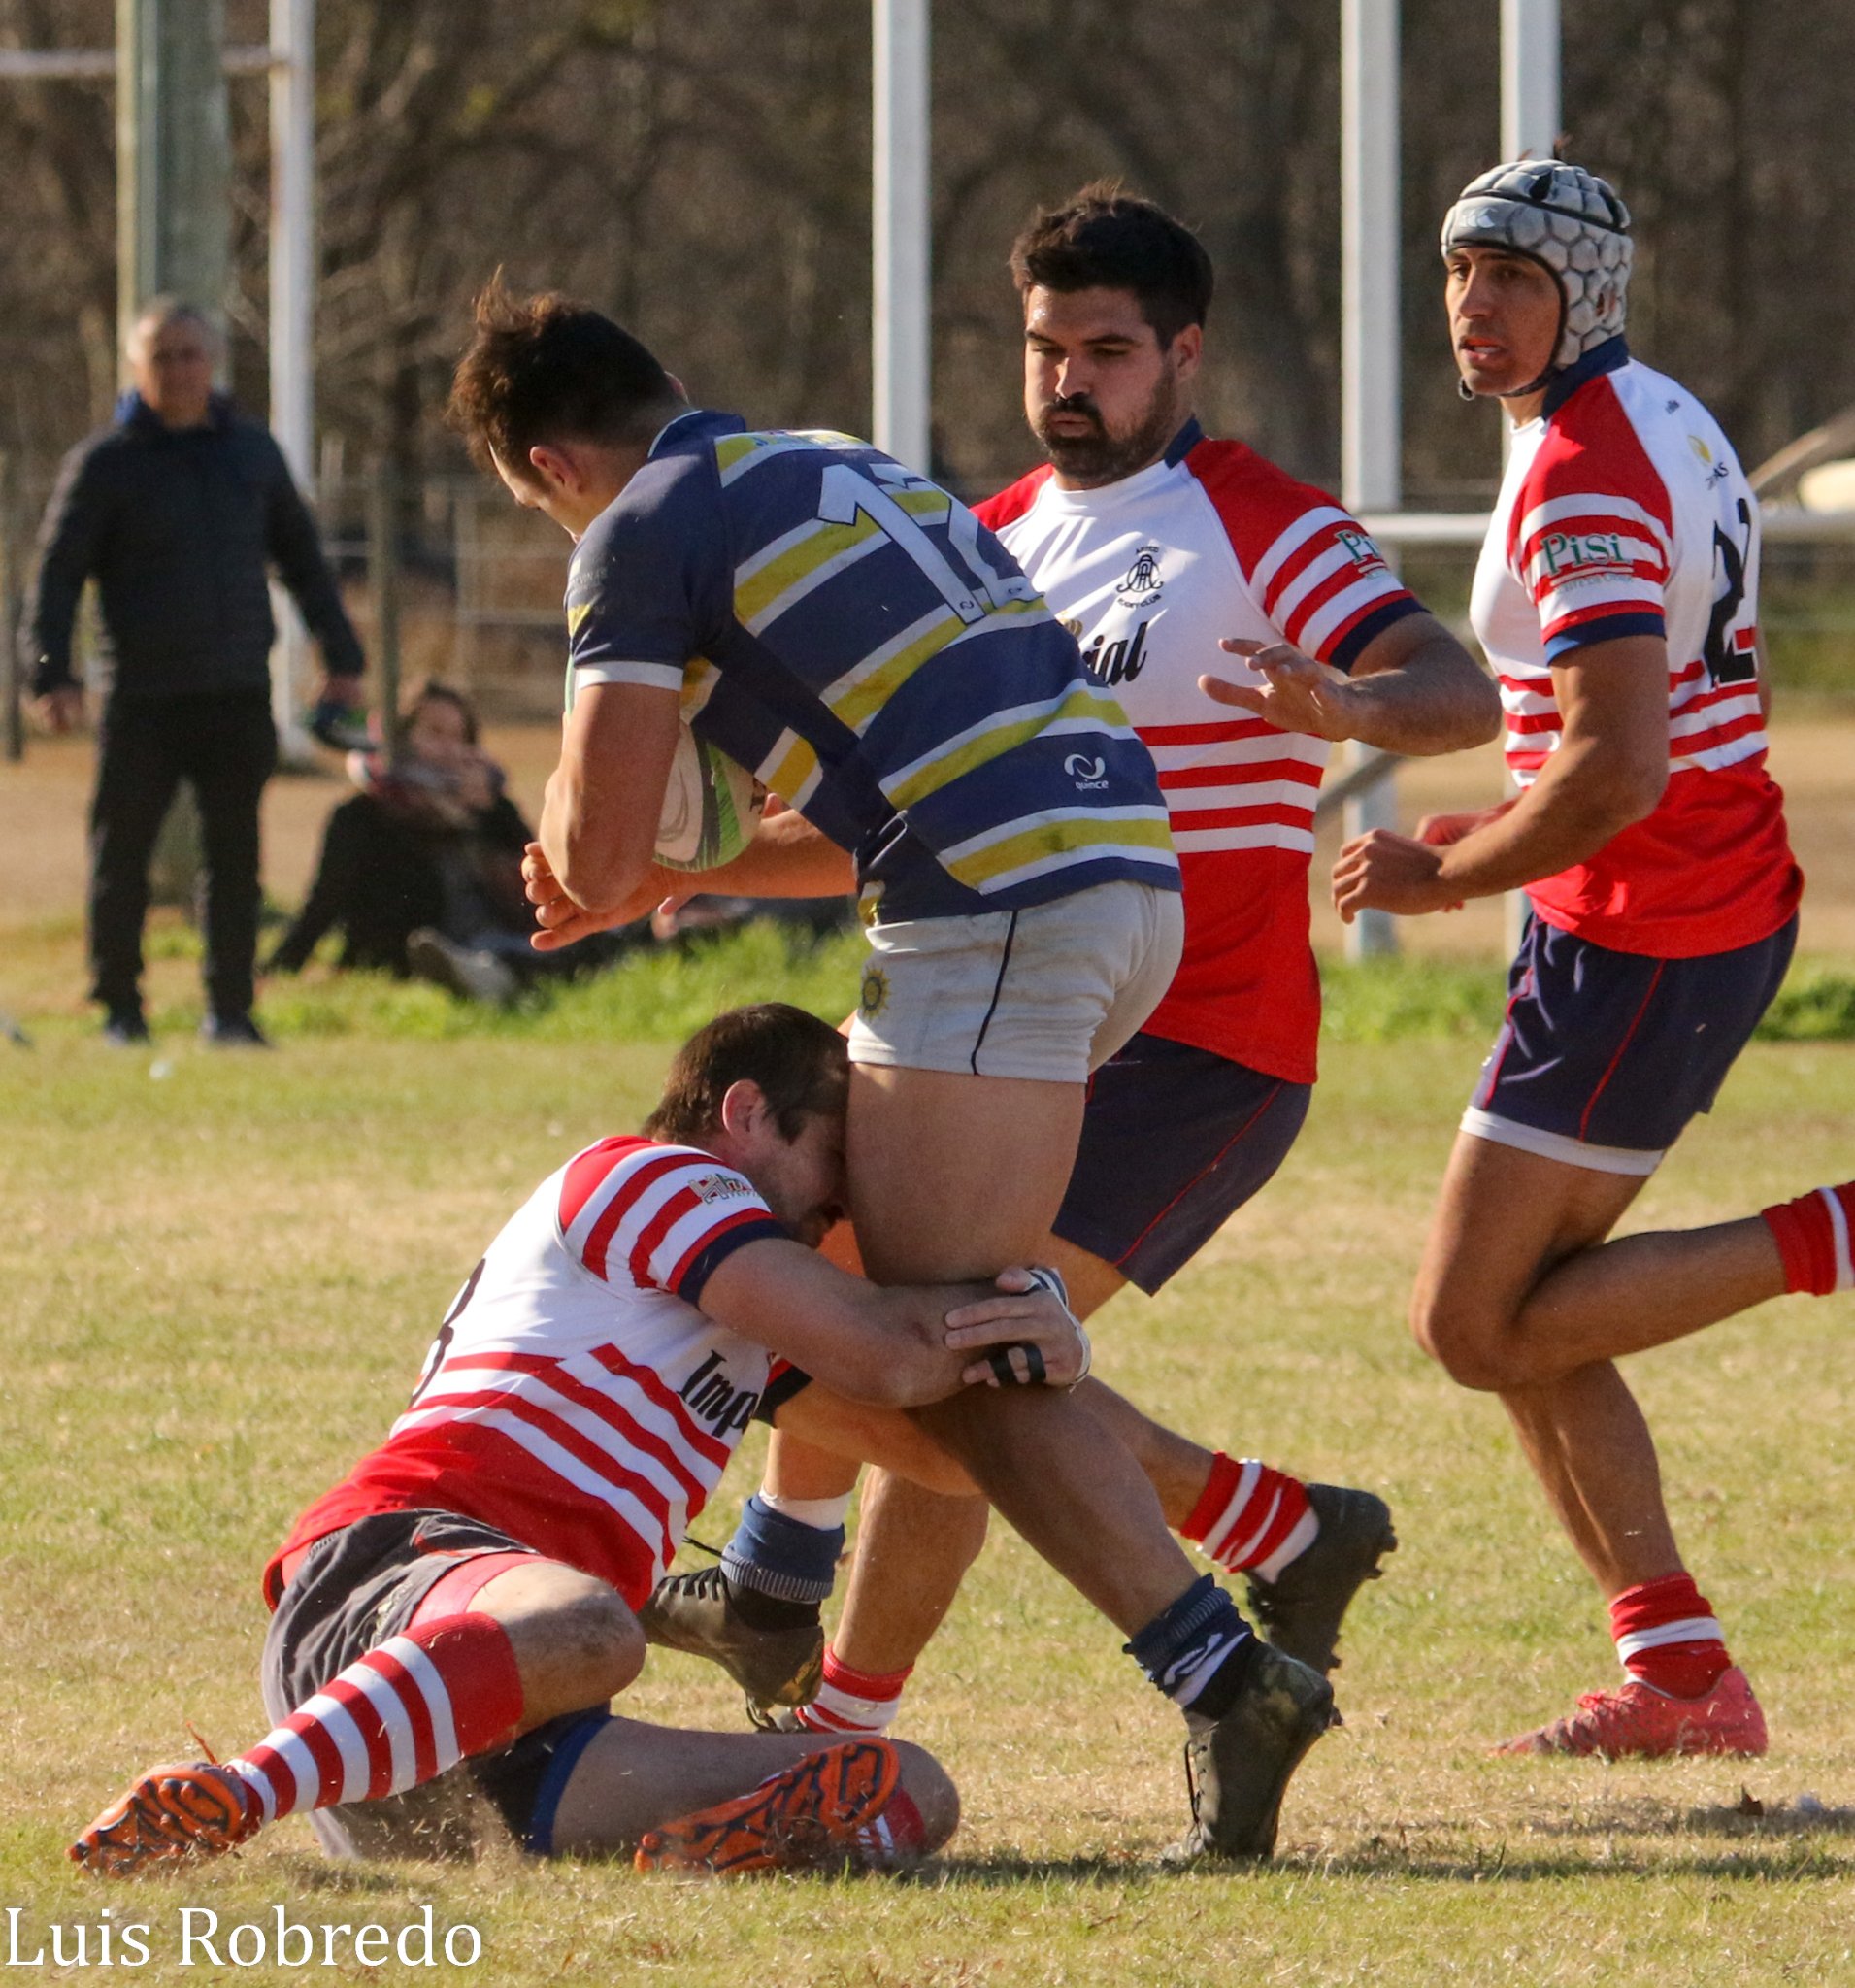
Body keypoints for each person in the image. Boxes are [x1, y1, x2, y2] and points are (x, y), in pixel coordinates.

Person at [446, 282, 1338, 1861]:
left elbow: (590, 841)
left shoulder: (636, 525)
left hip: (987, 905)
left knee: (931, 1338)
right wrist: (677, 871)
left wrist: (600, 846)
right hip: (1122, 882)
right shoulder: (836, 464)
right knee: (925, 1304)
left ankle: (1225, 1669)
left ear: (545, 459)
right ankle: (797, 1584)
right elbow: (898, 773)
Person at [655, 185, 1503, 1740]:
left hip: (1195, 1050)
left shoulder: (1263, 526)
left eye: (1106, 349)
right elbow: (894, 817)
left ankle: (855, 1697)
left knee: (957, 1361)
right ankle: (803, 1615)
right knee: (860, 1312)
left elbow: (1457, 692)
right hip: (998, 1021)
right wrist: (682, 862)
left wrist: (1349, 704)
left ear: (1182, 353)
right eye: (1045, 347)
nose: (1067, 381)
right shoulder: (980, 543)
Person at [70, 1004, 1100, 1877]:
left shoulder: (746, 1320)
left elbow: (948, 1459)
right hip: (397, 1578)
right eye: (835, 1154)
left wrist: (1049, 1350)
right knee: (590, 1624)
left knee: (911, 1786)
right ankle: (233, 1792)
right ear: (743, 1112)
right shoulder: (653, 1180)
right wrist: (1029, 1299)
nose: (844, 1200)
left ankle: (706, 1852)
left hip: (473, 1745)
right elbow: (887, 1353)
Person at [1334, 159, 1849, 1758]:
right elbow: (1624, 733)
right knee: (1521, 1311)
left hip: (1647, 931)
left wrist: (1448, 874)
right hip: (1651, 910)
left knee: (1474, 1322)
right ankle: (1680, 1672)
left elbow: (1617, 767)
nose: (1473, 309)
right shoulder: (1654, 411)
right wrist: (1499, 840)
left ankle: (1830, 1231)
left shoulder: (1585, 471)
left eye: (1511, 279)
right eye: (1460, 274)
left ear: (1587, 295)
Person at [22, 298, 368, 1047]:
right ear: (136, 366)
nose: (179, 370)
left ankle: (231, 1012)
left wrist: (342, 658)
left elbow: (303, 561)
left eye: (191, 354)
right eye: (163, 356)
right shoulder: (105, 463)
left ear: (212, 363)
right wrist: (50, 672)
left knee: (235, 859)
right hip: (142, 695)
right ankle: (119, 1008)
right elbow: (57, 574)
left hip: (235, 688)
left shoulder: (250, 453)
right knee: (122, 857)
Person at [266, 680, 639, 1001]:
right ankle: (482, 977)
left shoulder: (490, 807)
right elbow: (323, 903)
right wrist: (279, 969)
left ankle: (497, 977)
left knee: (592, 941)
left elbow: (540, 880)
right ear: (400, 739)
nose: (449, 748)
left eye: (459, 737)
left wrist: (491, 813)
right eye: (434, 733)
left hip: (499, 937)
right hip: (411, 952)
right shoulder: (364, 815)